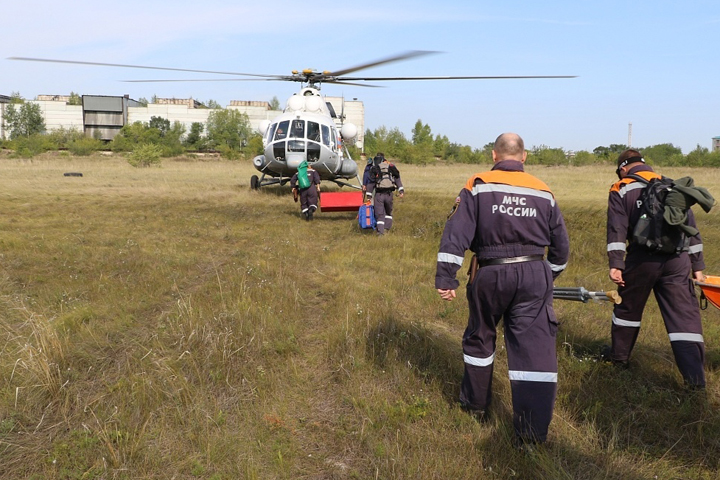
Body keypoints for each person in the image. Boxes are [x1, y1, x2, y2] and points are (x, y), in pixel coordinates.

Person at [435, 133, 569, 449]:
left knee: (481, 337)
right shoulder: (543, 190)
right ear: (524, 157)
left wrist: (446, 277)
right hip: (534, 270)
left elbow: (456, 234)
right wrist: (549, 275)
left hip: (490, 271)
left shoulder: (477, 184)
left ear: (494, 155)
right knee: (534, 351)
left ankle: (475, 409)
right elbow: (561, 245)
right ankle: (531, 436)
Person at [604, 149, 709, 389]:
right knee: (685, 320)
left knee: (627, 311)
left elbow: (616, 230)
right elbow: (690, 228)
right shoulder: (672, 186)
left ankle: (619, 362)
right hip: (677, 260)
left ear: (623, 168)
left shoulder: (620, 188)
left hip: (641, 260)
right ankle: (696, 381)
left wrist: (616, 264)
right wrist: (698, 267)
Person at [365, 153, 404, 235]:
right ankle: (387, 228)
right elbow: (397, 179)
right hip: (389, 194)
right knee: (388, 212)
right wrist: (401, 190)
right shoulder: (390, 167)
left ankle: (380, 232)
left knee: (380, 214)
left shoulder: (375, 169)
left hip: (379, 195)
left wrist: (369, 196)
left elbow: (371, 183)